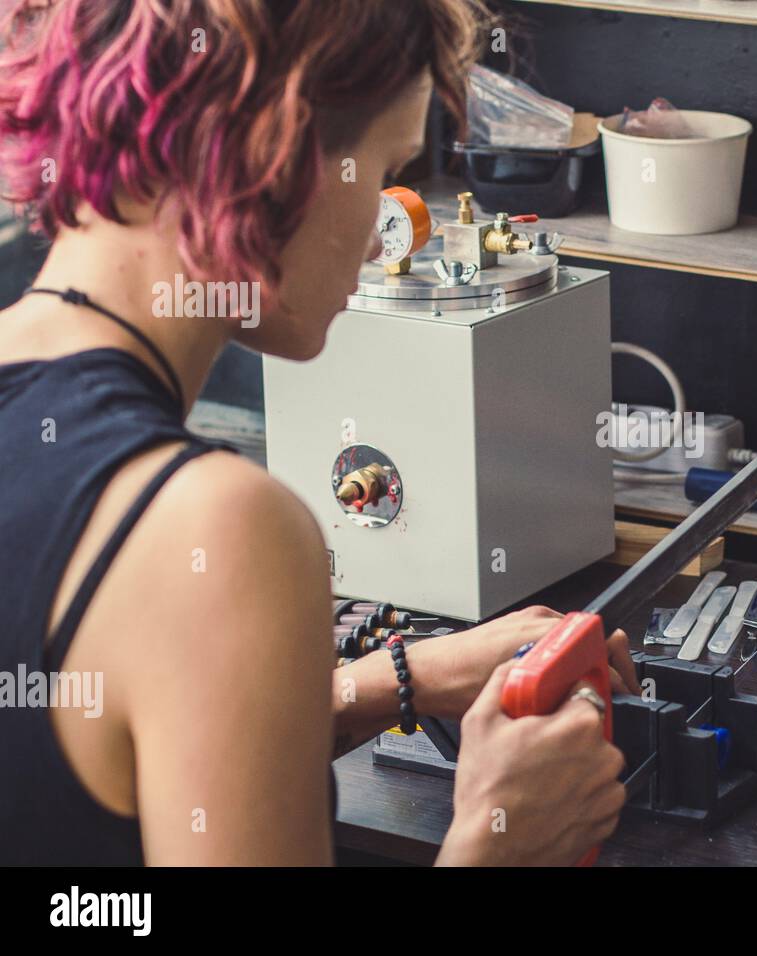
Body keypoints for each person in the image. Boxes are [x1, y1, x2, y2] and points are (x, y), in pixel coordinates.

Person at [0, 0, 635, 866]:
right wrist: (503, 836)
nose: (380, 244)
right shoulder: (216, 531)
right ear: (276, 159)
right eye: (382, 171)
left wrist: (393, 682)